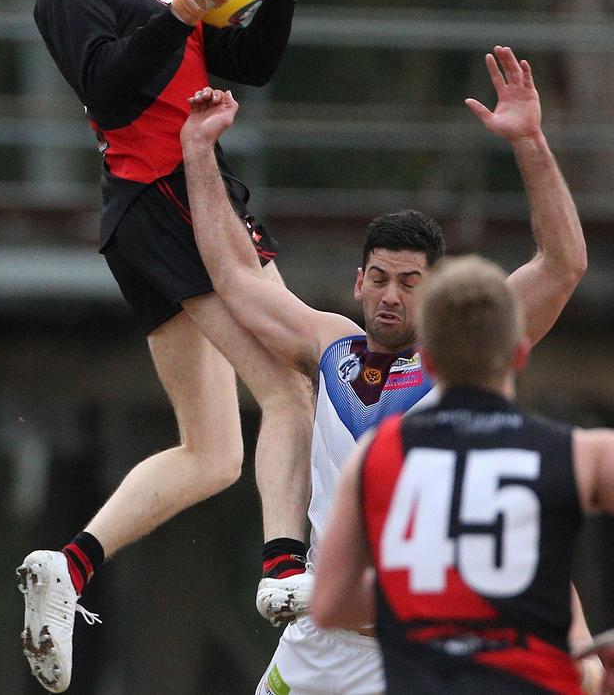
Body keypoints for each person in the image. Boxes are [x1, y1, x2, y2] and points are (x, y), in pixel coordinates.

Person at [179, 45, 590, 695]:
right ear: (359, 281)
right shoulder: (331, 345)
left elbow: (563, 264)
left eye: (409, 281)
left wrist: (531, 142)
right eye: (379, 279)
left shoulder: (466, 350)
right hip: (317, 641)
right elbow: (231, 276)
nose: (391, 296)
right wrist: (198, 154)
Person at [17, 0, 315, 693]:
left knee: (215, 451)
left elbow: (247, 63)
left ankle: (66, 567)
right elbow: (110, 88)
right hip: (168, 200)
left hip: (173, 207)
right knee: (294, 385)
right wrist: (184, 9)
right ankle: (287, 569)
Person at [312, 254, 614, 695]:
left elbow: (329, 603)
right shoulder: (578, 453)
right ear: (519, 353)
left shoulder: (376, 457)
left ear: (429, 362)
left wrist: (431, 594)